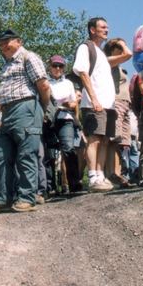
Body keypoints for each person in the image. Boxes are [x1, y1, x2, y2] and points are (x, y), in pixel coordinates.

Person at [0, 29, 51, 214]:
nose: (3, 45)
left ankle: (27, 197)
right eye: (1, 42)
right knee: (2, 154)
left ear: (19, 41)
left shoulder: (29, 57)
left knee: (26, 154)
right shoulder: (6, 65)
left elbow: (43, 85)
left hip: (26, 108)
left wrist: (41, 109)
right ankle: (1, 198)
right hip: (7, 113)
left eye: (7, 41)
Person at [72, 17, 131, 192]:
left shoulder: (102, 55)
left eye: (107, 27)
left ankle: (100, 175)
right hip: (93, 103)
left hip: (109, 105)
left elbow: (128, 55)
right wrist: (94, 98)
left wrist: (120, 42)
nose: (107, 30)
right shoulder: (86, 47)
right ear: (92, 29)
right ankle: (92, 176)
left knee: (105, 140)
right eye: (103, 27)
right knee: (94, 139)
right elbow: (82, 72)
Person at [46, 55, 81, 192]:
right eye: (55, 66)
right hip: (48, 119)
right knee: (48, 154)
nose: (58, 68)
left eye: (60, 66)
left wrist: (70, 104)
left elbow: (74, 103)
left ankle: (74, 183)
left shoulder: (68, 83)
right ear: (50, 67)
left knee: (68, 149)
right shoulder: (45, 83)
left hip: (65, 117)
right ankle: (50, 187)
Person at [104, 38, 134, 187]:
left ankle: (116, 173)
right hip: (116, 102)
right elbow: (129, 54)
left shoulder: (119, 67)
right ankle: (111, 173)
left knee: (121, 142)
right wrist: (121, 42)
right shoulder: (108, 60)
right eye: (119, 47)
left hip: (124, 104)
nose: (123, 50)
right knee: (113, 140)